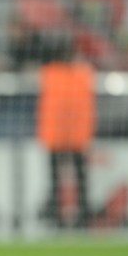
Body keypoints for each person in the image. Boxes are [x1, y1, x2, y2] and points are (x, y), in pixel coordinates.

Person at [37, 40, 96, 229]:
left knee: (59, 176)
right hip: (72, 134)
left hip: (59, 133)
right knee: (76, 175)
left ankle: (62, 214)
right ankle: (78, 213)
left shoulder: (51, 74)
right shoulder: (82, 74)